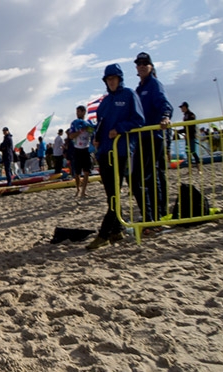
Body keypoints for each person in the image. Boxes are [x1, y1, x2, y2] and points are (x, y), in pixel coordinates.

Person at [87, 64, 144, 250]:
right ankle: (117, 230)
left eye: (114, 78)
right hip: (104, 153)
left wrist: (119, 129)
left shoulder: (129, 95)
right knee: (110, 195)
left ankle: (103, 234)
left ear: (120, 79)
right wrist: (96, 137)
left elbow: (139, 120)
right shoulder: (104, 102)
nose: (111, 82)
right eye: (108, 79)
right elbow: (100, 124)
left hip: (120, 152)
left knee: (114, 196)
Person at [132, 52, 172, 227]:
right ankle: (154, 213)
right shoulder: (139, 89)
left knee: (150, 176)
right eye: (139, 63)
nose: (141, 66)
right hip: (142, 137)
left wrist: (165, 116)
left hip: (154, 136)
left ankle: (157, 214)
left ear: (151, 66)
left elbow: (164, 103)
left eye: (145, 63)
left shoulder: (154, 84)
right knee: (147, 176)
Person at [69, 105, 96, 198]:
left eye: (79, 112)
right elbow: (71, 136)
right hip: (77, 149)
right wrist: (80, 131)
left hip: (86, 149)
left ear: (84, 112)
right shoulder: (74, 123)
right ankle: (78, 189)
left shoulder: (88, 122)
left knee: (87, 172)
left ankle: (83, 191)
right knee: (76, 172)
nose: (77, 114)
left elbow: (93, 133)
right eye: (76, 112)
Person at [179, 102, 199, 168]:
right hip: (187, 136)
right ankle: (190, 168)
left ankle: (198, 167)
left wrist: (187, 133)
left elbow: (192, 126)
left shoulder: (191, 114)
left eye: (182, 107)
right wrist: (179, 131)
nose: (181, 109)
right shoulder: (185, 116)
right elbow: (185, 127)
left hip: (191, 136)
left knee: (193, 151)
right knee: (187, 152)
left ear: (185, 107)